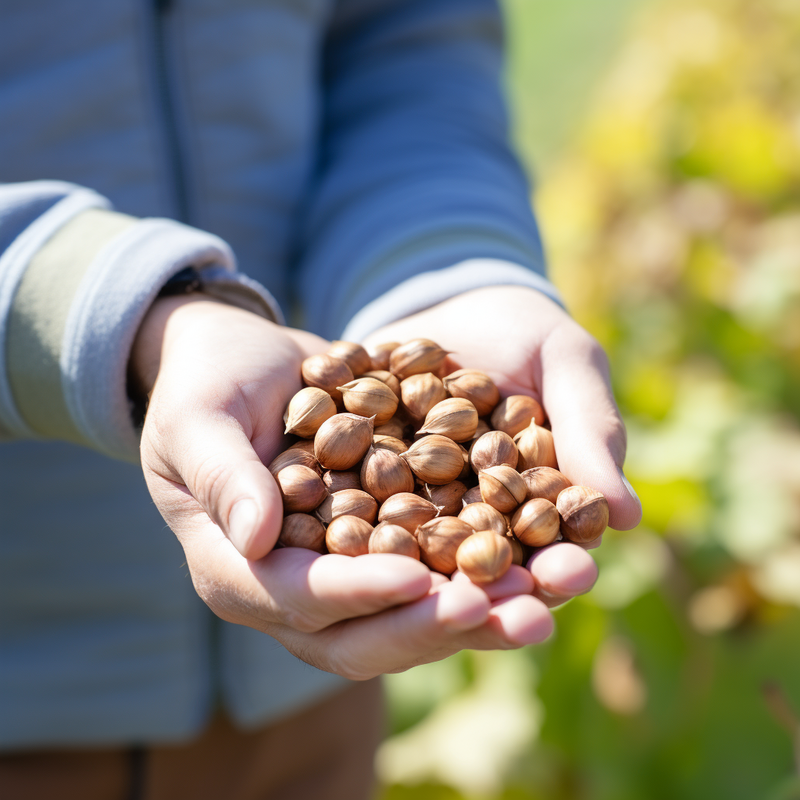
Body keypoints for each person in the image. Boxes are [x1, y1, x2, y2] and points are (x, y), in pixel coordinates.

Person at [0, 0, 642, 797]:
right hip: (24, 694)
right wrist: (106, 321)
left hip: (309, 708)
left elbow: (402, 36)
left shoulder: (399, 455)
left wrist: (444, 264)